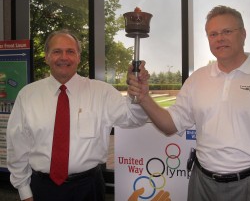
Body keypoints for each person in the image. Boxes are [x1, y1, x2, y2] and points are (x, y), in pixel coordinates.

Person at [127, 5, 250, 201]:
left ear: (243, 34)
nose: (220, 38)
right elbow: (169, 125)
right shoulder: (197, 79)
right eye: (213, 34)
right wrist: (144, 97)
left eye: (227, 31)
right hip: (202, 183)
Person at [6, 29, 149, 201]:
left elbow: (135, 119)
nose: (64, 57)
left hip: (88, 188)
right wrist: (24, 191)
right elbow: (17, 145)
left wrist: (138, 94)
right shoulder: (27, 95)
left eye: (70, 51)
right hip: (42, 188)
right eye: (57, 51)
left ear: (79, 57)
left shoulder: (102, 92)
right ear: (47, 57)